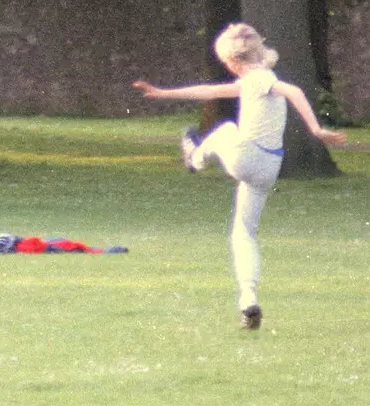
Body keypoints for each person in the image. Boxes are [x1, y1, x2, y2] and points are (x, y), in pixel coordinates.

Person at [133, 23, 346, 330]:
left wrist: (316, 129)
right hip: (268, 168)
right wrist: (164, 93)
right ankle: (248, 300)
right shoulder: (253, 81)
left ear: (233, 62)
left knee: (227, 130)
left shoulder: (259, 80)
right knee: (243, 233)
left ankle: (195, 158)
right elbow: (209, 91)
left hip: (247, 157)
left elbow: (293, 90)